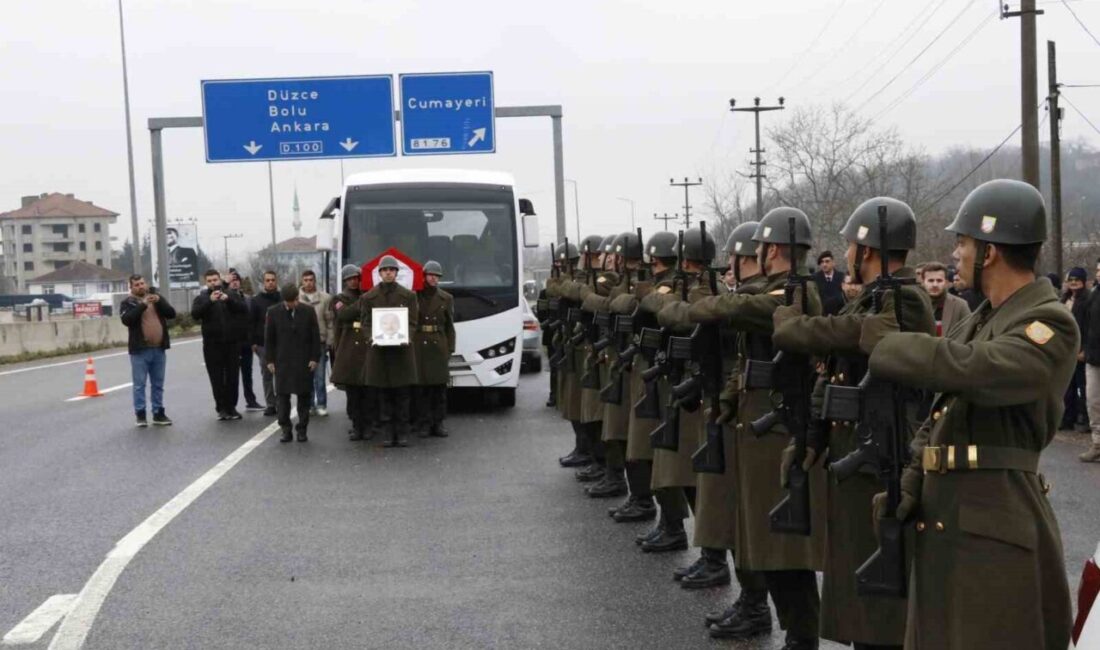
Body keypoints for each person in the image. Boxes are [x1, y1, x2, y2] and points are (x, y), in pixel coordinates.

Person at [864, 179, 1075, 650]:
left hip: (994, 524)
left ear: (990, 251)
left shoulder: (1048, 321)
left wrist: (890, 344)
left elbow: (979, 370)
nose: (955, 254)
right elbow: (942, 412)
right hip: (951, 517)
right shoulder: (983, 317)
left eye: (962, 242)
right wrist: (914, 479)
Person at [773, 197, 935, 650]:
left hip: (881, 458)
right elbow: (837, 363)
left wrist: (793, 326)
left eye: (850, 246)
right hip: (855, 454)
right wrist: (814, 436)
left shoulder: (908, 300)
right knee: (857, 582)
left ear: (866, 250)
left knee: (881, 594)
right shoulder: (871, 298)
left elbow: (846, 334)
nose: (845, 254)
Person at [689, 207, 826, 649]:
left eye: (762, 248)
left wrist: (705, 304)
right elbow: (750, 358)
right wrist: (730, 397)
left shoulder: (795, 293)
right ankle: (768, 617)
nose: (756, 256)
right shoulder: (775, 290)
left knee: (784, 546)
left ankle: (801, 637)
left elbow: (744, 307)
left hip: (782, 428)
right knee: (762, 536)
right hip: (758, 426)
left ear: (776, 249)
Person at [360, 255, 420, 447]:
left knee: (402, 396)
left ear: (396, 273)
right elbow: (365, 323)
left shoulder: (409, 296)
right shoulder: (368, 297)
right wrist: (371, 337)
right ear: (379, 273)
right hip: (380, 354)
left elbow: (412, 322)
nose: (388, 273)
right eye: (385, 270)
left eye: (391, 270)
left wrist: (406, 337)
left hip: (401, 352)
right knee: (384, 396)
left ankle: (402, 433)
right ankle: (388, 433)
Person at [265, 283, 321, 443]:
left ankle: (302, 429)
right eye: (290, 301)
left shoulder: (308, 311)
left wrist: (314, 358)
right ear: (284, 300)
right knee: (282, 398)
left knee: (304, 397)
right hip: (282, 362)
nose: (294, 304)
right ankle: (285, 429)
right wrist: (269, 360)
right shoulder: (273, 312)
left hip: (304, 362)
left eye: (295, 300)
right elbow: (269, 338)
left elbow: (315, 337)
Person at [119, 274, 176, 427]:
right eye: (136, 284)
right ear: (131, 287)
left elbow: (172, 314)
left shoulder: (156, 299)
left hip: (158, 348)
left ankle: (158, 413)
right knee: (139, 384)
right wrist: (143, 304)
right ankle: (141, 414)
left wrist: (160, 301)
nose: (140, 286)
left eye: (142, 283)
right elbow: (127, 320)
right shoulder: (128, 303)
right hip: (140, 350)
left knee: (158, 384)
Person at [192, 269, 248, 421]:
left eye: (215, 280)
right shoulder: (201, 298)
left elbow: (244, 309)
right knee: (216, 378)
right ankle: (221, 408)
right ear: (206, 282)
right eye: (209, 281)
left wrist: (227, 300)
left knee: (232, 376)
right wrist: (210, 301)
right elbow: (195, 315)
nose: (213, 283)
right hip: (212, 345)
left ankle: (232, 407)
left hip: (232, 343)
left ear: (220, 280)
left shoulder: (231, 294)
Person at [413, 260, 456, 438]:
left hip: (438, 344)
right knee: (422, 389)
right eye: (431, 275)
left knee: (439, 389)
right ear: (424, 276)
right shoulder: (414, 296)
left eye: (437, 276)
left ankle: (438, 423)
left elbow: (449, 326)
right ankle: (423, 423)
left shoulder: (446, 298)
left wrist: (450, 348)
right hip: (420, 343)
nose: (434, 279)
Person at [331, 264, 372, 440]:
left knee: (368, 391)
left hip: (366, 344)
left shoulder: (367, 295)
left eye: (356, 278)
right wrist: (363, 301)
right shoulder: (339, 298)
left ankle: (368, 425)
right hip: (348, 346)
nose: (353, 281)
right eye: (349, 279)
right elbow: (344, 315)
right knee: (353, 392)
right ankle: (357, 425)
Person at [299, 269, 333, 417]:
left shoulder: (325, 298)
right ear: (301, 281)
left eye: (311, 280)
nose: (308, 283)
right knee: (306, 377)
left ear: (315, 281)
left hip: (320, 341)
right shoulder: (297, 298)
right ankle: (309, 405)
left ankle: (321, 404)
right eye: (305, 280)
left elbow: (330, 321)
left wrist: (330, 340)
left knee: (319, 377)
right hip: (302, 343)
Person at [228, 270, 263, 411]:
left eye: (237, 279)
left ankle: (251, 400)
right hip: (232, 343)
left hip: (246, 342)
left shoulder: (248, 299)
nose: (235, 282)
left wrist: (253, 340)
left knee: (247, 374)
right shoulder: (225, 298)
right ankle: (232, 404)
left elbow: (253, 320)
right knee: (232, 376)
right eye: (232, 279)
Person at [1061, 267, 1090, 432]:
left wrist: (1084, 349)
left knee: (1083, 386)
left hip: (1080, 350)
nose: (1073, 282)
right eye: (1071, 280)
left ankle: (1084, 418)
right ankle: (1067, 418)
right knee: (1067, 387)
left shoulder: (1087, 300)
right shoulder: (1064, 299)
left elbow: (1089, 327)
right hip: (1066, 349)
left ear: (1083, 282)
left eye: (1077, 280)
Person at [251, 271, 282, 416]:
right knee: (267, 375)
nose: (270, 282)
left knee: (281, 375)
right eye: (267, 280)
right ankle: (271, 404)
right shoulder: (256, 300)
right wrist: (253, 343)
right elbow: (251, 322)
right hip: (263, 344)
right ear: (264, 282)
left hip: (282, 343)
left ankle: (282, 402)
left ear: (276, 281)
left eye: (273, 280)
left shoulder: (283, 299)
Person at [921, 261, 971, 336]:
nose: (935, 284)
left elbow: (969, 333)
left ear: (946, 283)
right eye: (930, 280)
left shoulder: (960, 305)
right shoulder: (916, 304)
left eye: (939, 280)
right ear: (923, 282)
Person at [1083, 258, 1100, 462]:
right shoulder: (1094, 295)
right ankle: (1097, 444)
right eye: (1097, 269)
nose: (1098, 272)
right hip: (1093, 356)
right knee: (1093, 402)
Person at [812, 250, 846, 316]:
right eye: (822, 262)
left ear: (833, 263)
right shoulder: (815, 278)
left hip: (839, 315)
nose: (824, 264)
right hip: (821, 316)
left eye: (827, 261)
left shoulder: (842, 277)